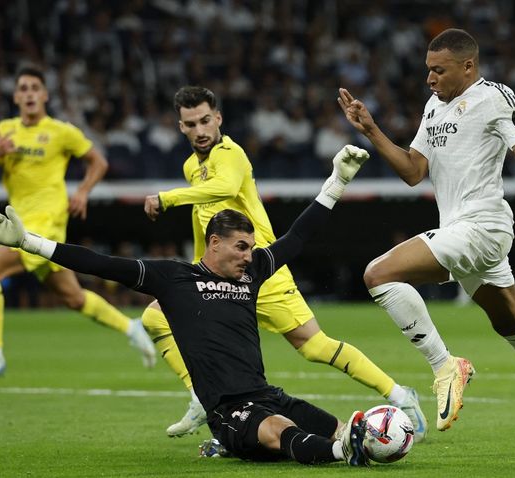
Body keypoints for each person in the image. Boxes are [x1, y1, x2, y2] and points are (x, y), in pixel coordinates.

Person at [0, 145, 376, 466]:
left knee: (336, 426)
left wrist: (336, 181)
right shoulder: (174, 279)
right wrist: (29, 243)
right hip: (227, 411)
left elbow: (296, 238)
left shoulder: (251, 273)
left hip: (268, 394)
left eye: (251, 248)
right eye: (241, 247)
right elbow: (100, 263)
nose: (248, 255)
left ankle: (358, 443)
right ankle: (344, 454)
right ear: (213, 242)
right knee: (279, 431)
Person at [337, 28, 515, 454]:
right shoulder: (433, 108)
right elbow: (413, 171)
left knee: (378, 274)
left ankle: (446, 366)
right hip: (462, 229)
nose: (430, 79)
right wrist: (371, 130)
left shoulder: (494, 97)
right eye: (427, 70)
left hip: (483, 226)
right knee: (510, 321)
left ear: (467, 66)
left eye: (438, 70)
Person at [142, 86, 427, 441]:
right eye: (190, 124)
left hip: (260, 270)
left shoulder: (231, 154)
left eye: (205, 121)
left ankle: (400, 395)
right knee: (156, 316)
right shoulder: (190, 167)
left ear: (218, 119)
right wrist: (197, 268)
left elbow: (223, 187)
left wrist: (167, 198)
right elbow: (205, 221)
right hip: (221, 275)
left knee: (313, 346)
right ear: (181, 127)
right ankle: (202, 396)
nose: (200, 130)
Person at [0, 65, 155, 381]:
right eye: (23, 88)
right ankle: (129, 326)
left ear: (44, 95)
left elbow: (99, 161)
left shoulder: (61, 131)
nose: (29, 94)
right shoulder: (5, 130)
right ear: (15, 97)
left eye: (34, 88)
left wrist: (82, 191)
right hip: (19, 219)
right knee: (73, 297)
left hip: (45, 223)